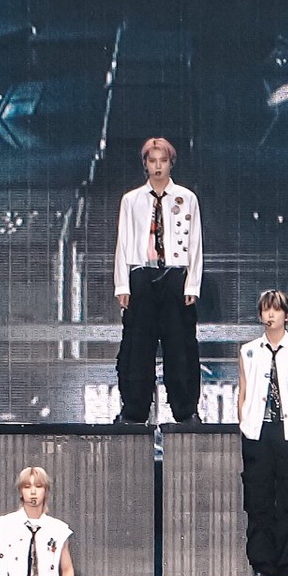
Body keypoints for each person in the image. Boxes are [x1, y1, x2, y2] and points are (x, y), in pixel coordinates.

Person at [114, 137, 204, 424]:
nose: (157, 166)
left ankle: (185, 410)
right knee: (137, 346)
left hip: (175, 274)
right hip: (142, 273)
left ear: (170, 163)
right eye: (152, 161)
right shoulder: (131, 200)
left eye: (162, 161)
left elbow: (195, 243)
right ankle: (134, 410)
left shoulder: (187, 198)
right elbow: (123, 243)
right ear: (145, 164)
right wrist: (122, 284)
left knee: (180, 345)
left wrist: (192, 284)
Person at [236, 289, 288, 576]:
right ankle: (263, 564)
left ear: (286, 315)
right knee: (259, 500)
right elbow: (243, 391)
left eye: (276, 309)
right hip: (257, 432)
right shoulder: (248, 350)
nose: (270, 315)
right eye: (266, 309)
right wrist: (245, 423)